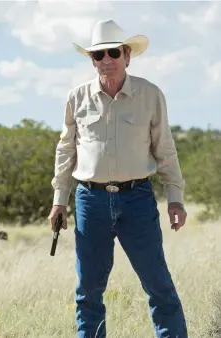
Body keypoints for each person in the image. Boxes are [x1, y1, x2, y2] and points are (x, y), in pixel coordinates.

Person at [48, 19, 188, 338]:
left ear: (127, 54)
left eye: (113, 52)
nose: (106, 60)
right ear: (92, 60)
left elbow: (165, 148)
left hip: (137, 199)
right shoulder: (77, 97)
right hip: (89, 201)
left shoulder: (150, 95)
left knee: (159, 286)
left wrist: (175, 197)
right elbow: (65, 150)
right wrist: (59, 201)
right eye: (99, 55)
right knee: (88, 292)